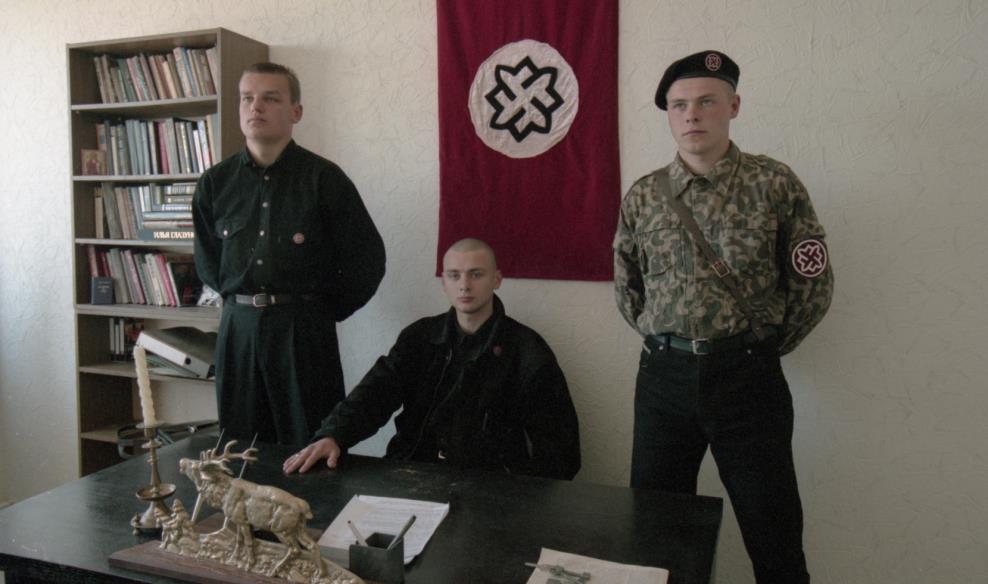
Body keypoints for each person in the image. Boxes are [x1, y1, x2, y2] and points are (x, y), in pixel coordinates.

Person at [613, 50, 833, 584]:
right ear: (668, 115)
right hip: (664, 381)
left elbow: (813, 282)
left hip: (747, 380)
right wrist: (667, 340)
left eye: (707, 102)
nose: (692, 114)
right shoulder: (645, 195)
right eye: (679, 105)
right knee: (656, 535)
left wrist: (761, 346)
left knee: (774, 536)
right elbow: (627, 286)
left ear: (733, 106)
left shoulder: (774, 184)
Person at [193, 62, 385, 446]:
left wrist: (320, 311)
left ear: (295, 111)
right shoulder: (215, 183)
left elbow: (367, 261)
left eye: (270, 98)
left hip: (303, 333)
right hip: (238, 331)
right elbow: (208, 261)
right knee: (239, 448)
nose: (255, 107)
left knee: (310, 443)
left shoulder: (324, 179)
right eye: (247, 98)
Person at [283, 238, 580, 480]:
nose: (464, 285)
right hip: (411, 472)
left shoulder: (527, 350)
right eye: (454, 275)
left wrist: (513, 496)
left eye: (476, 274)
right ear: (443, 283)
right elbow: (374, 393)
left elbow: (560, 453)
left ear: (497, 279)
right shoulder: (420, 337)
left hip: (487, 490)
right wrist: (333, 435)